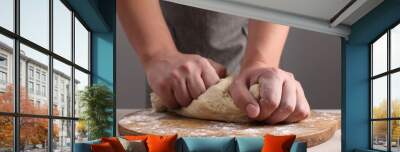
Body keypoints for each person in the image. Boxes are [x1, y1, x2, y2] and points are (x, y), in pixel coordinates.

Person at [118, 0, 310, 124]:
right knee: (169, 112)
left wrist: (261, 61)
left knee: (248, 102)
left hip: (236, 24)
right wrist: (158, 54)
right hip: (164, 16)